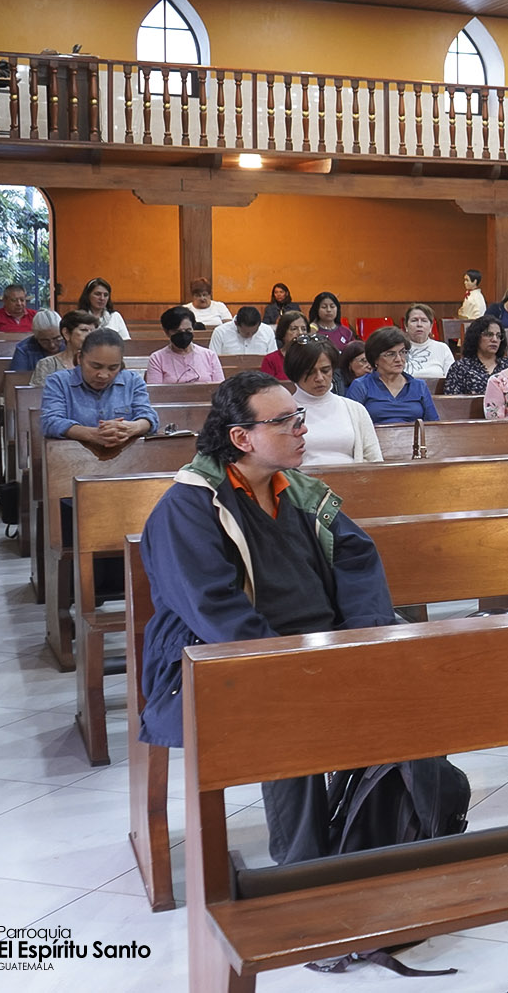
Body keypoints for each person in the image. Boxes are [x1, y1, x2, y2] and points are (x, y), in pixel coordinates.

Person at [135, 371, 398, 865]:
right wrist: (294, 662)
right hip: (222, 659)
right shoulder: (188, 507)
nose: (303, 429)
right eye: (286, 422)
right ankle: (302, 870)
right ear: (242, 437)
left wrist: (361, 638)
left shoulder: (298, 490)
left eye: (299, 418)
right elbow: (214, 610)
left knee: (410, 677)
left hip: (321, 644)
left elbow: (357, 560)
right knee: (287, 709)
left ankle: (378, 840)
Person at [40, 329, 158, 446]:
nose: (103, 375)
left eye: (113, 368)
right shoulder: (59, 382)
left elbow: (149, 417)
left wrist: (132, 428)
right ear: (80, 358)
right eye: (96, 366)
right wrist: (92, 434)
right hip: (71, 454)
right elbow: (50, 422)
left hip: (127, 453)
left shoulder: (132, 381)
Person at [287, 339, 382, 466]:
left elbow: (374, 459)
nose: (319, 378)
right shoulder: (283, 413)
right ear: (295, 373)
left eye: (325, 370)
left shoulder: (355, 409)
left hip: (353, 477)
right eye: (310, 372)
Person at [347, 327, 438, 425]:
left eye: (402, 352)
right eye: (390, 354)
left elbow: (434, 425)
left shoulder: (419, 386)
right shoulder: (361, 386)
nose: (399, 359)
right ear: (375, 358)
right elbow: (350, 424)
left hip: (414, 435)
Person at [145, 306, 224, 384]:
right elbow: (155, 390)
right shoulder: (157, 359)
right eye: (178, 331)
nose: (183, 335)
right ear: (167, 332)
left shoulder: (209, 356)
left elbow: (220, 386)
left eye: (188, 330)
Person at [444, 316, 508, 395]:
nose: (495, 339)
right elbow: (452, 400)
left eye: (498, 336)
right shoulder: (460, 367)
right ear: (476, 337)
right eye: (489, 334)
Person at [34, 310, 98, 384]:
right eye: (84, 330)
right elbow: (39, 391)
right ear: (66, 333)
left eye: (92, 331)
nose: (89, 335)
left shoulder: (100, 363)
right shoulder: (47, 364)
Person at [401, 303, 455, 380]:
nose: (419, 324)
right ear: (406, 325)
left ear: (431, 326)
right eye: (414, 320)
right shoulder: (399, 349)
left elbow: (452, 379)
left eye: (424, 320)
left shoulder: (442, 348)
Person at [212, 306, 277, 358]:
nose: (250, 335)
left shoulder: (267, 331)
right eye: (246, 333)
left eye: (254, 332)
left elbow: (273, 360)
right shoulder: (220, 332)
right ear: (236, 324)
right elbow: (213, 361)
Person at [261, 311, 310, 379]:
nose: (300, 333)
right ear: (283, 332)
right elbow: (266, 384)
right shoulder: (271, 360)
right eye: (294, 329)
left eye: (304, 329)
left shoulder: (312, 357)